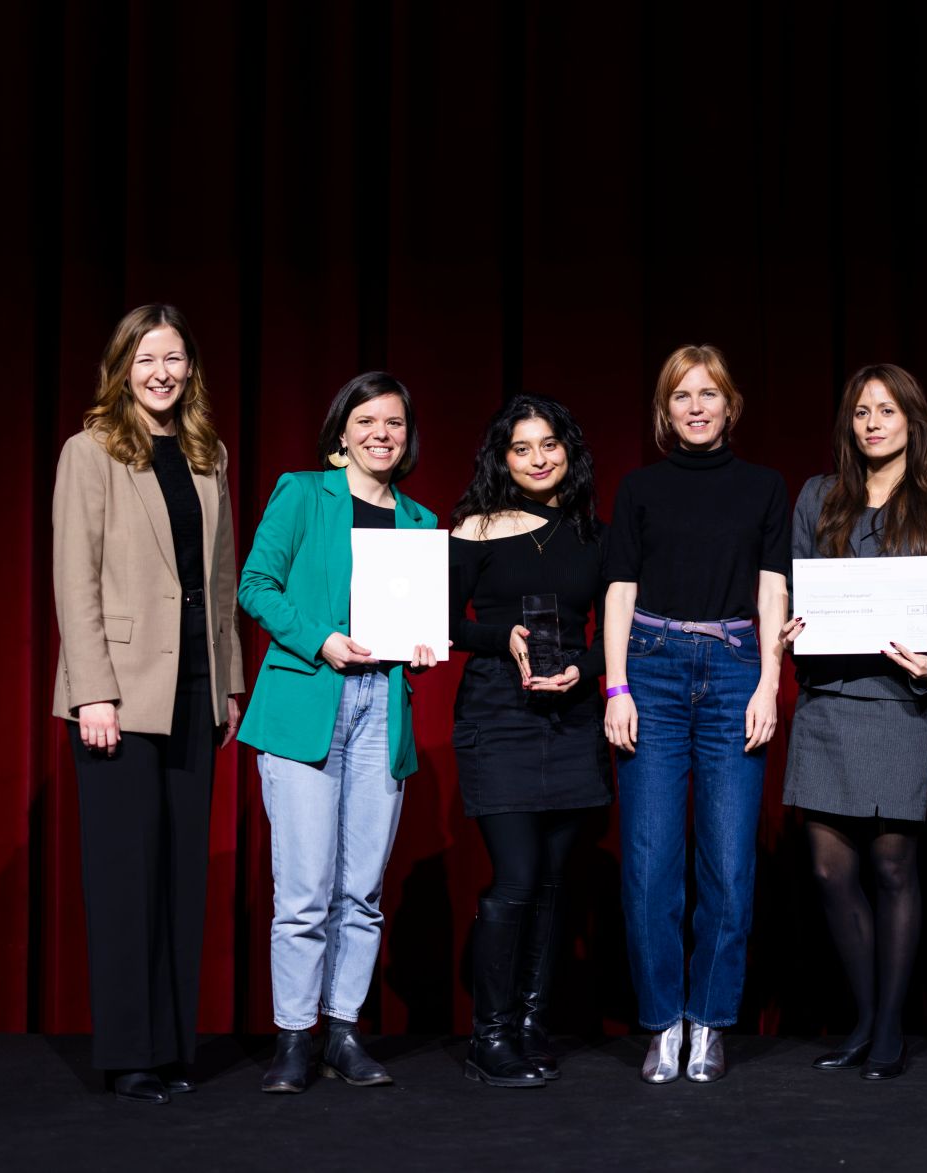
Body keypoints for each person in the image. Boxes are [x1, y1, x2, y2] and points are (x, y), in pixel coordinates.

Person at [52, 304, 244, 1104]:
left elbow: (223, 577)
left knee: (179, 877)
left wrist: (230, 678)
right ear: (122, 369)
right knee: (126, 875)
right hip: (121, 693)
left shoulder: (208, 455)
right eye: (146, 360)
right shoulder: (90, 452)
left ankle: (172, 1045)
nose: (162, 373)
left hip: (195, 690)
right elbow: (76, 576)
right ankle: (130, 1050)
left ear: (190, 367)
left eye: (174, 359)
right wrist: (93, 689)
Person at [238, 372, 442, 1093]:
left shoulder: (419, 520)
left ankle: (344, 1031)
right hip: (306, 701)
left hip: (381, 707)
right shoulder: (302, 492)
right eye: (367, 420)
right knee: (302, 888)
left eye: (394, 422)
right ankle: (294, 1035)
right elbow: (255, 584)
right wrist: (320, 638)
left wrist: (423, 641)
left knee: (361, 890)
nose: (381, 433)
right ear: (342, 430)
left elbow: (421, 622)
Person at [602, 344, 791, 1084]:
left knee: (730, 865)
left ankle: (710, 1020)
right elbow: (619, 590)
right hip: (651, 665)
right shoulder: (640, 488)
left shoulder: (764, 487)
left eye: (708, 393)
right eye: (682, 395)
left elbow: (774, 588)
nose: (697, 406)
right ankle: (662, 1022)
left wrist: (769, 682)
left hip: (736, 666)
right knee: (650, 866)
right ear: (665, 408)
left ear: (729, 404)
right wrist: (616, 686)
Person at [780, 364, 927, 1081]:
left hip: (896, 703)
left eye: (886, 411)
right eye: (861, 412)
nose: (872, 423)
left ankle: (889, 1027)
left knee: (892, 865)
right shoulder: (818, 498)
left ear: (912, 421)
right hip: (827, 699)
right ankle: (864, 1014)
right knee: (830, 867)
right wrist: (794, 629)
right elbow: (799, 585)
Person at [448, 395, 611, 1087]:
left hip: (571, 719)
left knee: (550, 879)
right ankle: (490, 1034)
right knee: (514, 877)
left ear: (568, 451)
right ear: (502, 458)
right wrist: (500, 636)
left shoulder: (594, 534)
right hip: (497, 712)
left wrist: (586, 669)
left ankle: (529, 1025)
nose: (539, 458)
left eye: (550, 444)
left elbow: (620, 633)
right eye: (523, 447)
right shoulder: (475, 528)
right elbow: (444, 621)